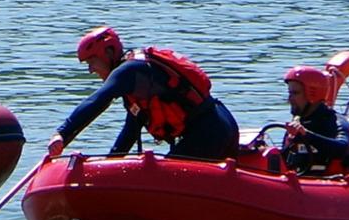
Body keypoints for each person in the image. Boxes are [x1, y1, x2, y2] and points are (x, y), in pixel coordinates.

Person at [44, 26, 239, 162]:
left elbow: (97, 100)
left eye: (91, 62)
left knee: (168, 183)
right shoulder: (137, 83)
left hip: (208, 132)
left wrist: (63, 134)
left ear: (109, 52)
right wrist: (112, 161)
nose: (90, 70)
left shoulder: (128, 71)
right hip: (221, 125)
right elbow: (131, 129)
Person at [280, 65, 349, 177]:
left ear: (312, 94)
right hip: (303, 185)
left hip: (340, 187)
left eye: (295, 93)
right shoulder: (297, 125)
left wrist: (306, 135)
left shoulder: (336, 121)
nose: (289, 99)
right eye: (289, 93)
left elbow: (344, 147)